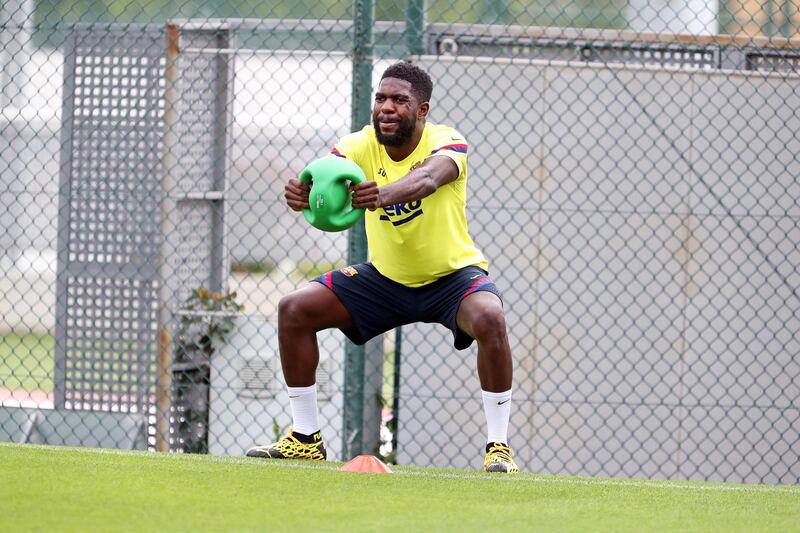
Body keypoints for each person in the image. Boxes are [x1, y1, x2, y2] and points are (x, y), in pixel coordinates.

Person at [246, 62, 517, 473]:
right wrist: (303, 192)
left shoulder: (448, 142)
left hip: (451, 278)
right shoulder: (358, 145)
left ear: (422, 110)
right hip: (385, 280)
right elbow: (325, 177)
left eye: (399, 101)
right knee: (294, 309)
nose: (387, 108)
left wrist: (383, 194)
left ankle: (498, 447)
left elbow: (427, 180)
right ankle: (305, 438)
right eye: (381, 99)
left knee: (490, 317)